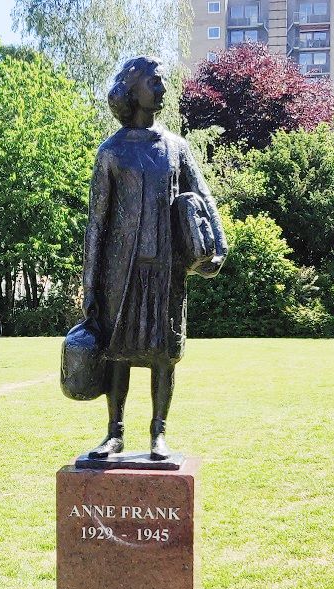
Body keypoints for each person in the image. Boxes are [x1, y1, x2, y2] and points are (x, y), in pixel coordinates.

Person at [82, 56, 227, 461]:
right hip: (119, 270)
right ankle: (115, 432)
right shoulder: (111, 152)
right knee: (117, 351)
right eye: (154, 82)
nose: (162, 89)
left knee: (164, 352)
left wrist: (219, 244)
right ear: (133, 89)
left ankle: (158, 432)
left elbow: (203, 196)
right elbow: (97, 223)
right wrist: (89, 285)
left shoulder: (176, 147)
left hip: (167, 267)